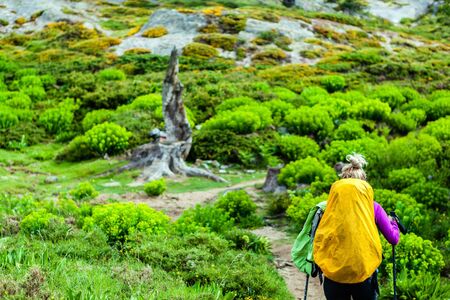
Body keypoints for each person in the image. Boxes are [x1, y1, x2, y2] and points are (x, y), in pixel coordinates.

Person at [313, 153, 400, 300]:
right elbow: (393, 239)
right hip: (364, 275)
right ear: (364, 185)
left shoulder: (329, 207)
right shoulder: (373, 208)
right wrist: (394, 223)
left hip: (333, 275)